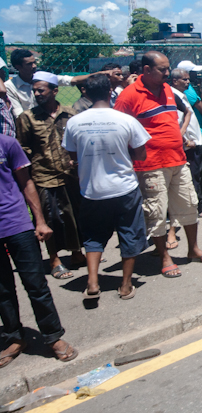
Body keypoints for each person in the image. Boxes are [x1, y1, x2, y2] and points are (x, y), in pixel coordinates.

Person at [114, 51, 202, 279]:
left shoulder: (170, 92)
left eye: (168, 68)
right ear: (146, 70)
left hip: (178, 160)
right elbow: (118, 131)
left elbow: (182, 115)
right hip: (150, 165)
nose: (167, 73)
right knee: (156, 213)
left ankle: (193, 249)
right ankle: (164, 257)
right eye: (162, 69)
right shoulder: (129, 97)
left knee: (189, 206)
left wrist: (180, 138)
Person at [62, 74, 150, 300]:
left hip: (92, 190)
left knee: (93, 235)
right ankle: (126, 284)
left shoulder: (74, 122)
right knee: (129, 233)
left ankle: (92, 282)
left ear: (86, 93)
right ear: (110, 90)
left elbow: (73, 155)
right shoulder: (126, 120)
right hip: (124, 188)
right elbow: (141, 154)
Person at [0, 133, 78, 368]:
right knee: (2, 289)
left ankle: (52, 336)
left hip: (16, 224)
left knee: (36, 285)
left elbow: (26, 182)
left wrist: (40, 221)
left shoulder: (6, 143)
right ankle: (14, 337)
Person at [16, 71, 86, 280]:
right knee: (51, 218)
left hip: (70, 174)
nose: (37, 93)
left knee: (74, 215)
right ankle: (54, 259)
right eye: (34, 90)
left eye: (41, 90)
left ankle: (76, 253)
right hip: (43, 175)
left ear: (55, 91)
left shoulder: (70, 114)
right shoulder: (27, 118)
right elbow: (23, 148)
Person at [4, 49, 103, 117]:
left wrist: (100, 74)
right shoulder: (10, 86)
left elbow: (72, 80)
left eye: (34, 62)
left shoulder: (42, 77)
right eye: (29, 64)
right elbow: (18, 115)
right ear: (17, 67)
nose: (34, 66)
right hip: (29, 124)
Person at [170, 68, 202, 224]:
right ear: (175, 81)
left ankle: (199, 205)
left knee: (198, 174)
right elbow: (176, 122)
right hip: (189, 145)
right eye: (184, 80)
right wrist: (186, 141)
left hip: (196, 142)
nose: (188, 82)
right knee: (192, 177)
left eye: (188, 79)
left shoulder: (183, 95)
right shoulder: (174, 97)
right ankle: (193, 210)